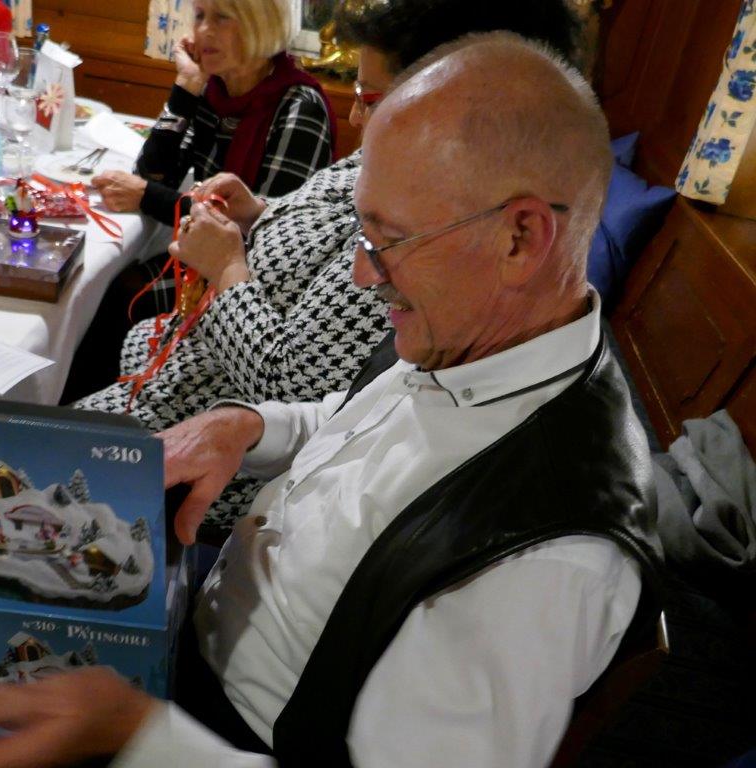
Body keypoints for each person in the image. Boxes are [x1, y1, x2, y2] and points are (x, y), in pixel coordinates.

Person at [0, 34, 664, 768]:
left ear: (520, 238)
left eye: (388, 241)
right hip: (197, 623)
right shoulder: (490, 338)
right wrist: (248, 425)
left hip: (223, 731)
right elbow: (362, 415)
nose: (363, 274)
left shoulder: (548, 559)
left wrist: (137, 737)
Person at [73, 0, 583, 535]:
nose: (356, 116)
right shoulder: (390, 161)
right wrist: (262, 212)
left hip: (196, 435)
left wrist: (226, 269)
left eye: (372, 99)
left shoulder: (430, 235)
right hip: (176, 386)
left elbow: (292, 385)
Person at [92, 0, 336, 224]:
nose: (204, 30)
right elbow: (153, 176)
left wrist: (147, 197)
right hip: (200, 247)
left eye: (222, 17)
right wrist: (186, 86)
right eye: (199, 15)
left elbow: (268, 227)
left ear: (261, 25)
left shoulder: (301, 107)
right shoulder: (212, 88)